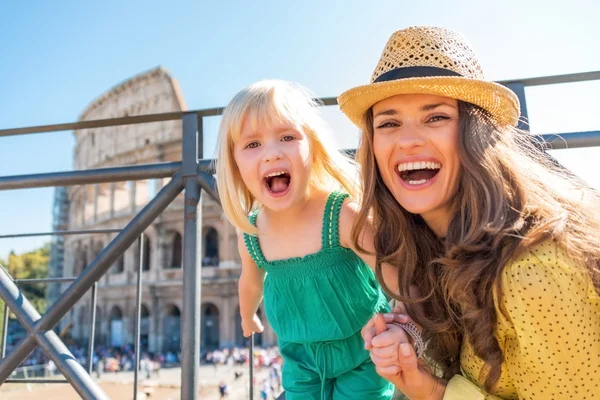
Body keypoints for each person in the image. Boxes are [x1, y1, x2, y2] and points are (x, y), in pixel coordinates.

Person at [338, 26, 600, 399]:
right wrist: (415, 345)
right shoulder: (432, 249)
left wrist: (432, 392)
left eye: (436, 117)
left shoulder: (536, 268)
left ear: (478, 135)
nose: (409, 139)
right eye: (389, 123)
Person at [215, 79, 397, 399]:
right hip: (301, 360)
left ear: (312, 147)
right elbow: (251, 283)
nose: (271, 154)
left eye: (287, 137)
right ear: (234, 164)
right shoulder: (253, 234)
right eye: (252, 144)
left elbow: (391, 269)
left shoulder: (341, 215)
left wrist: (403, 317)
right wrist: (248, 317)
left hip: (364, 349)